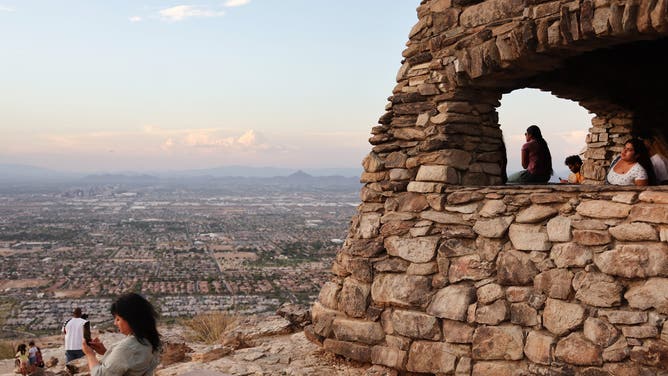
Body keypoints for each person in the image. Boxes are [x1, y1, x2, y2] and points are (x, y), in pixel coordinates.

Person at [82, 293, 161, 376]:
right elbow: (130, 361)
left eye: (118, 319)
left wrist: (90, 354)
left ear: (131, 320)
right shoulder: (149, 339)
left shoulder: (127, 348)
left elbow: (99, 374)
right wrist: (106, 352)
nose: (115, 323)